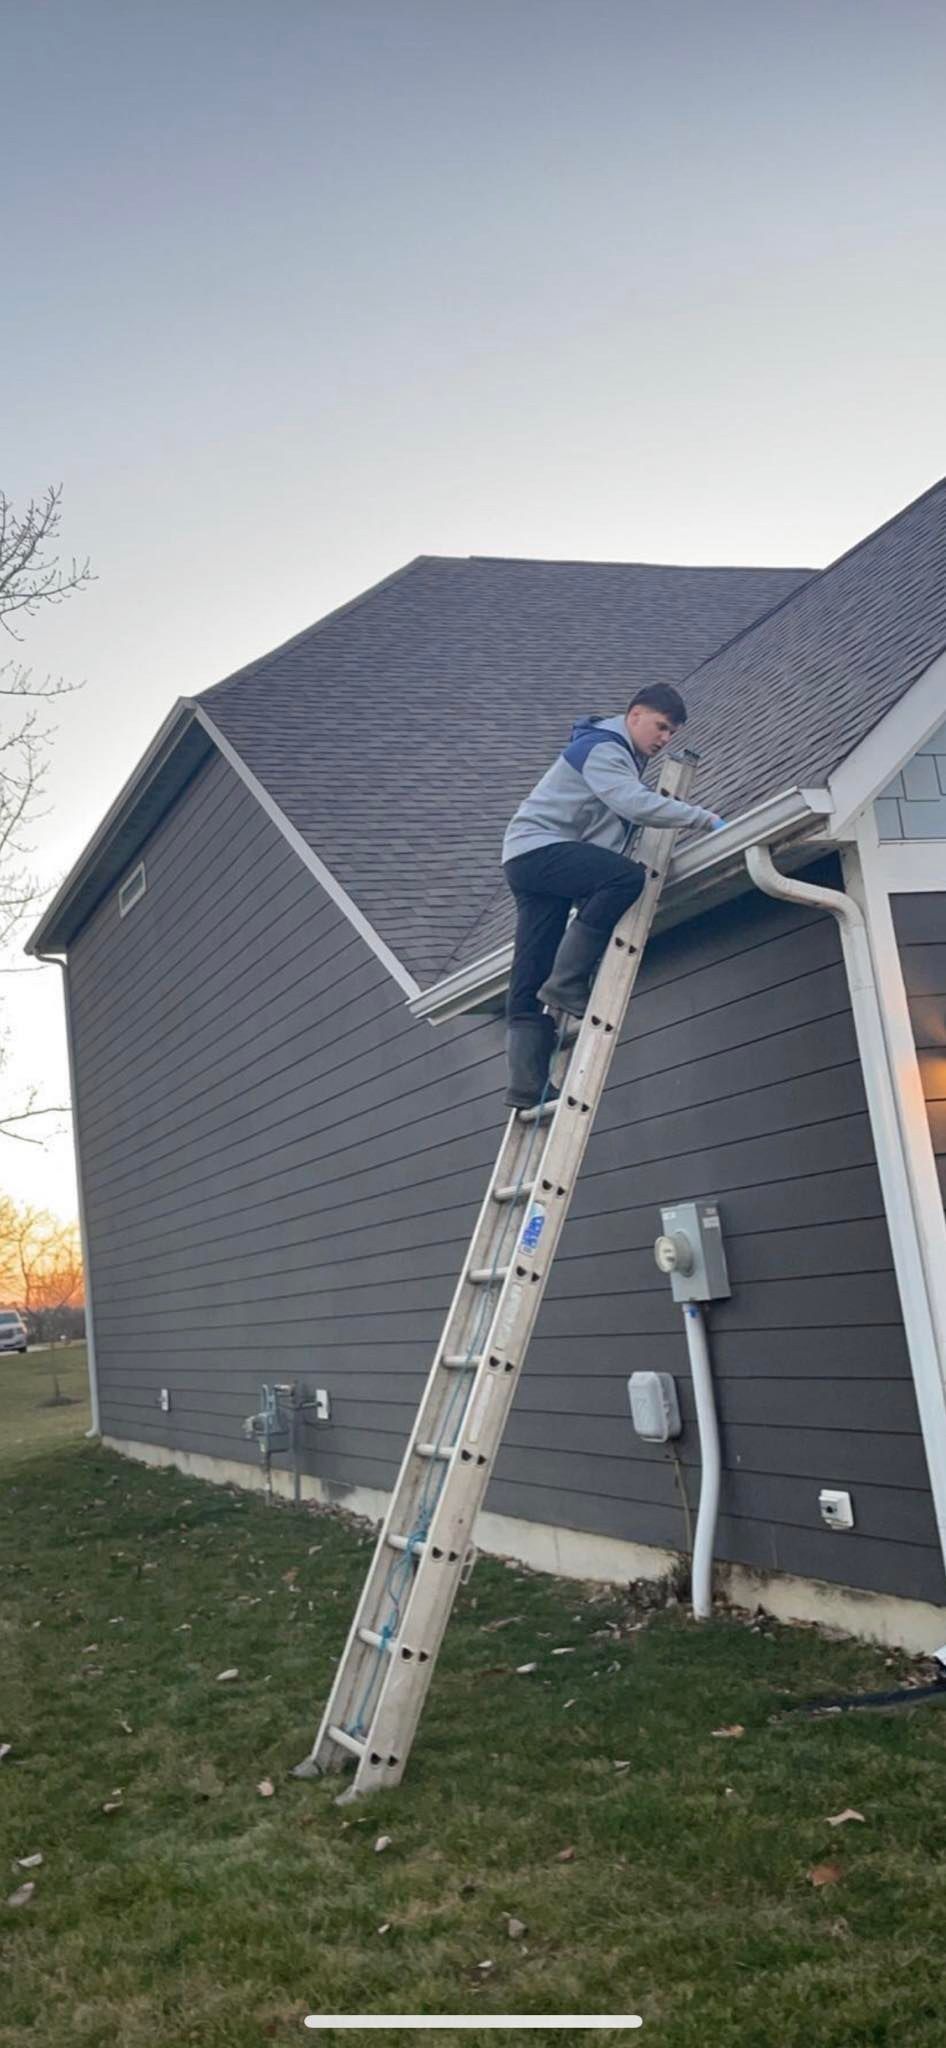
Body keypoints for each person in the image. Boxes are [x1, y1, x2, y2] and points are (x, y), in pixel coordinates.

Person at [500, 684, 726, 1107]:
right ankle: (567, 983)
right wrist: (705, 819)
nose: (663, 739)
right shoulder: (604, 748)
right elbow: (633, 804)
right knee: (623, 879)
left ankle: (525, 1087)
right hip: (539, 849)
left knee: (531, 968)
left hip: (524, 858)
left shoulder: (611, 755)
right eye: (661, 727)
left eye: (671, 734)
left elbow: (601, 833)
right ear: (635, 715)